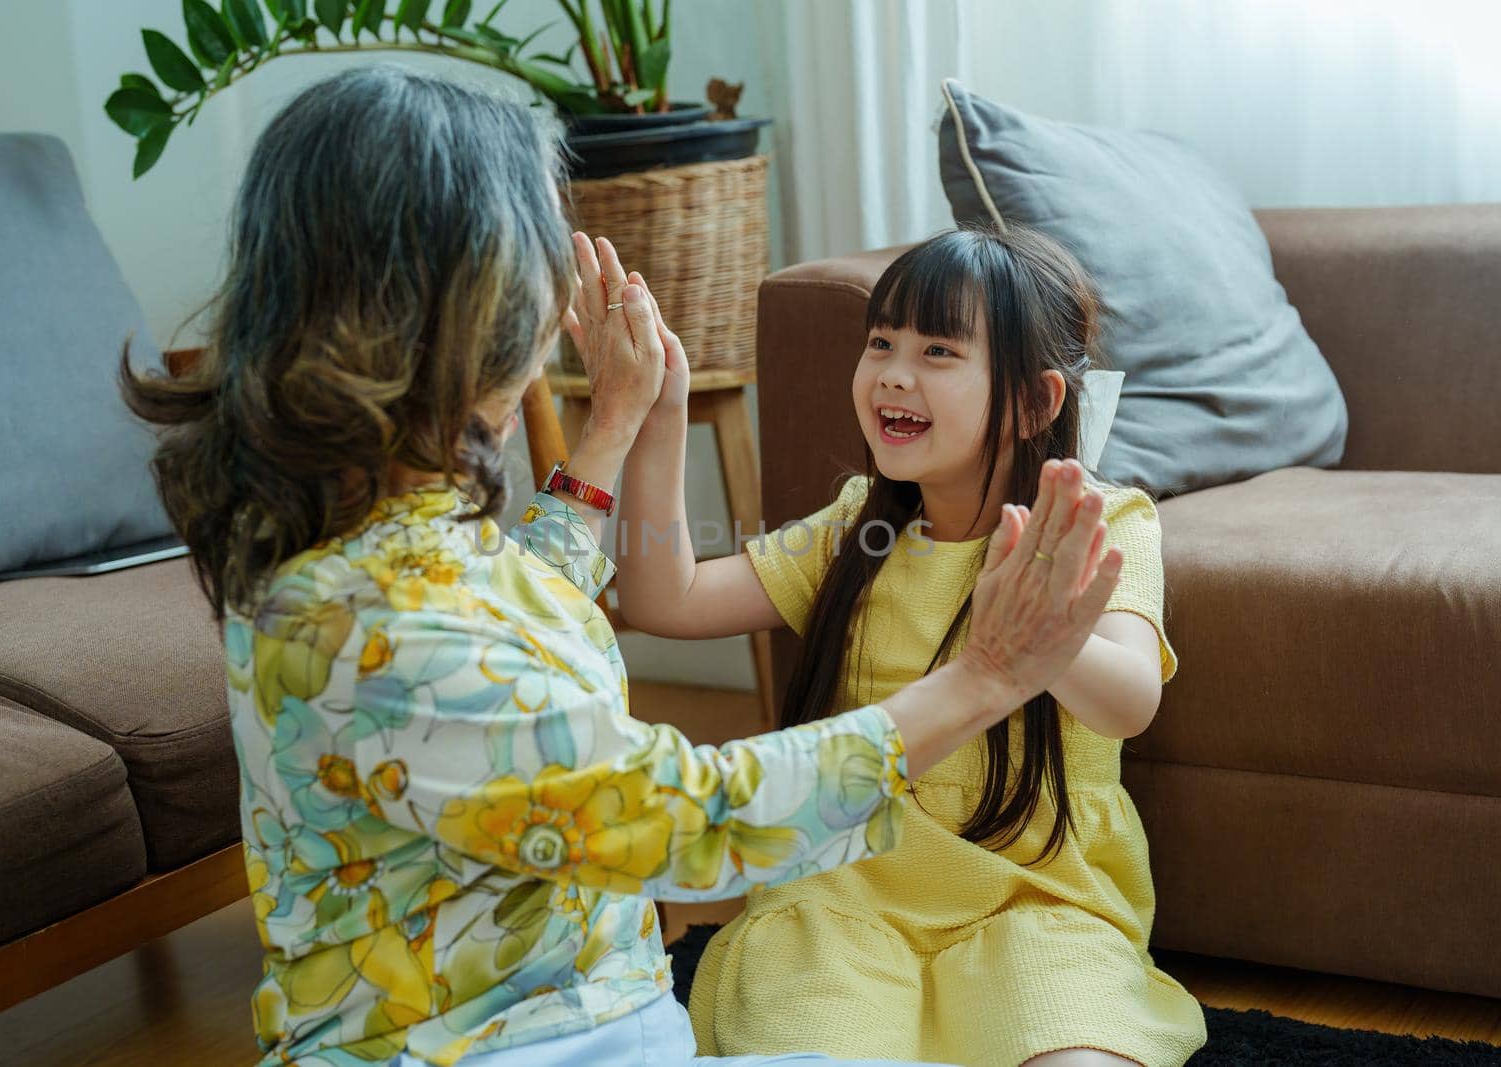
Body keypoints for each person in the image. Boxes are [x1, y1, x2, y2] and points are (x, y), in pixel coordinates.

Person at [122, 67, 1121, 1067]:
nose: (559, 287)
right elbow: (697, 823)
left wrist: (611, 429)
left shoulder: (367, 542)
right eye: (540, 249)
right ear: (468, 301)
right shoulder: (390, 619)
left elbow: (510, 632)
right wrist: (985, 674)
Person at [617, 227, 1207, 1066]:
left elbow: (1130, 701)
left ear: (1037, 402)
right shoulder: (858, 529)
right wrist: (658, 410)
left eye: (938, 350)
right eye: (881, 342)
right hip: (843, 899)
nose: (894, 371)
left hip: (1036, 899)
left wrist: (1043, 636)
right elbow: (661, 598)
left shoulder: (1103, 523)